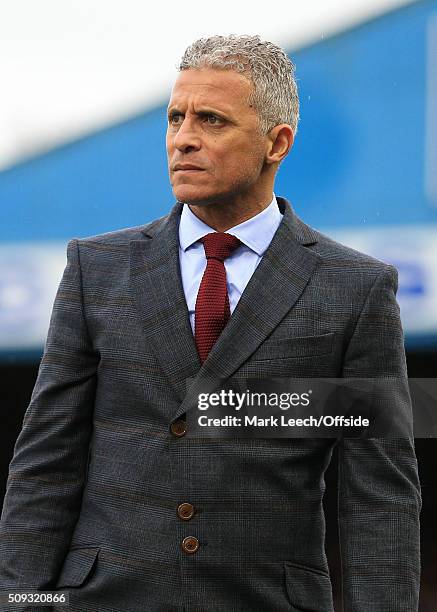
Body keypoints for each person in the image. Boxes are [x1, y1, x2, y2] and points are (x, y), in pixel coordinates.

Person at [0, 35, 421, 612]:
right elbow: (46, 463)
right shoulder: (94, 269)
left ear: (277, 142)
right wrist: (20, 603)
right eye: (176, 118)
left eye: (212, 120)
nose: (184, 138)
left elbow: (380, 494)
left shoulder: (355, 288)